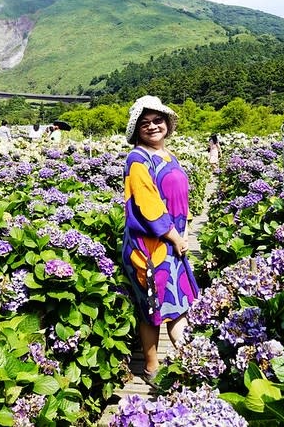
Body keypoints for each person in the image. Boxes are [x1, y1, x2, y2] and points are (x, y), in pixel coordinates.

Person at [121, 95, 199, 386]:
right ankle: (151, 367)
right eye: (145, 123)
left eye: (157, 121)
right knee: (152, 307)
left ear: (167, 124)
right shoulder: (137, 159)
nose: (153, 127)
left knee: (178, 302)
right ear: (137, 130)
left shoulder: (168, 156)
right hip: (149, 246)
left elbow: (180, 198)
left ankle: (190, 361)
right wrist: (174, 235)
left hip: (173, 241)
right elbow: (148, 206)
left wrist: (185, 230)